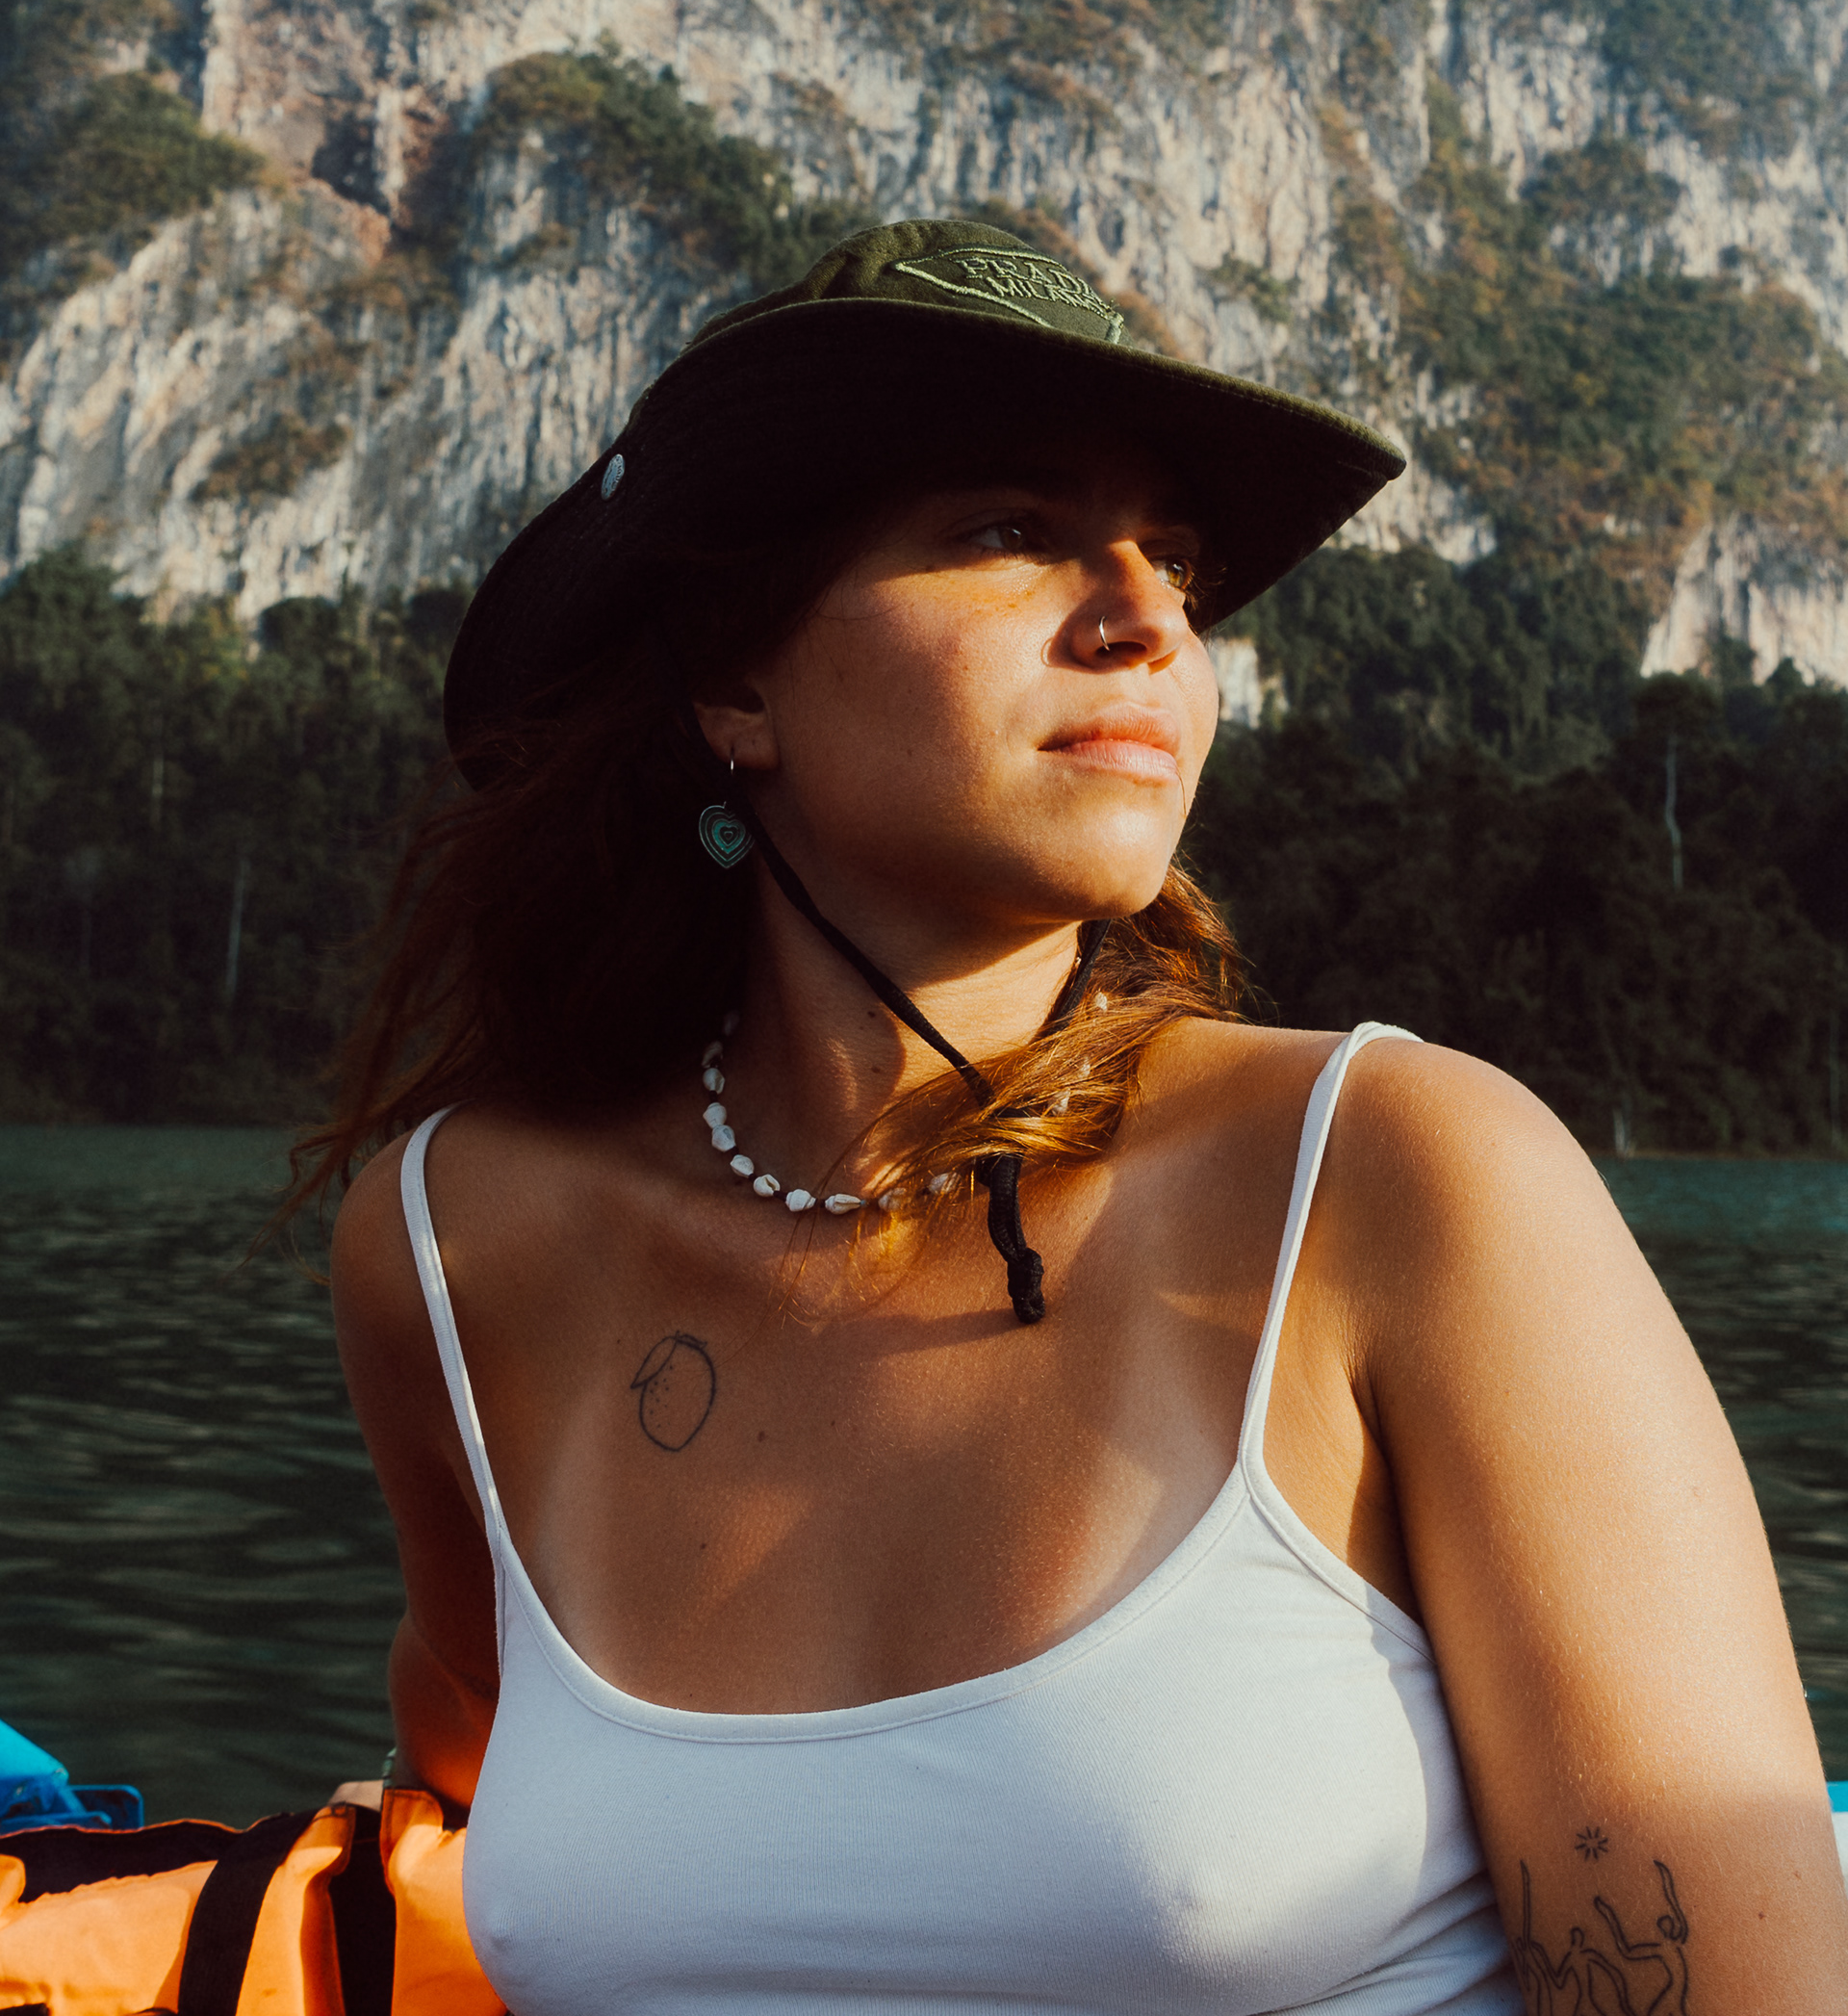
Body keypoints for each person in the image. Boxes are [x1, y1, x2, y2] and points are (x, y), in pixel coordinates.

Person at [313, 220, 1848, 2015]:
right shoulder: (454, 1245)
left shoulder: (1399, 1174)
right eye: (1011, 529)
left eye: (1175, 563)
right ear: (734, 681)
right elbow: (475, 1748)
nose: (1149, 622)